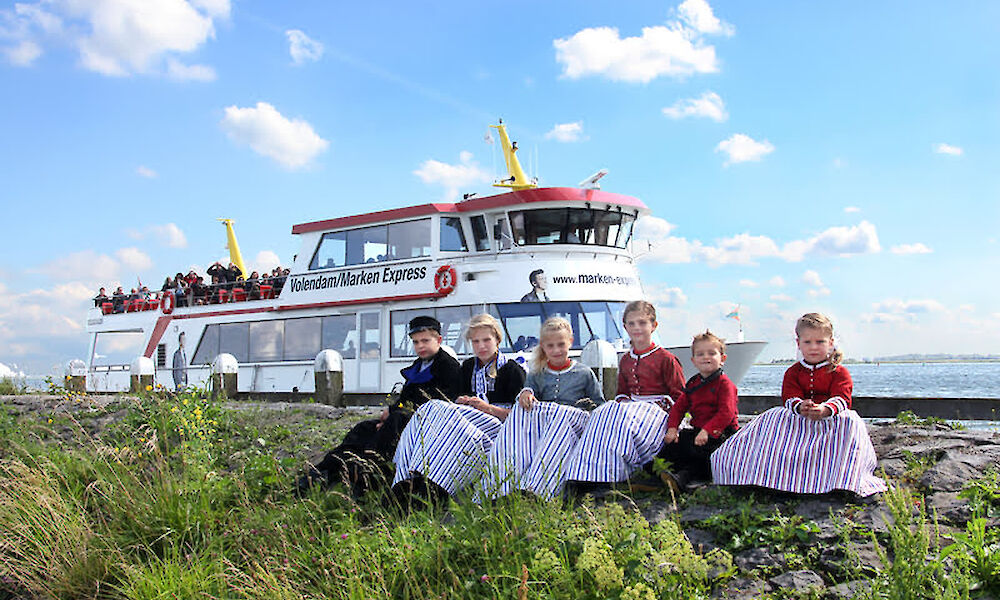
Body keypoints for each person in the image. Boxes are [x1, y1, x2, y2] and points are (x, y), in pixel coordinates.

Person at [710, 313, 887, 499]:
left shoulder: (838, 371)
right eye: (808, 342)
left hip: (830, 421)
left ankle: (840, 478)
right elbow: (789, 396)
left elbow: (842, 397)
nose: (813, 347)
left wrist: (825, 409)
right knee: (773, 416)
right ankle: (769, 474)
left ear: (831, 342)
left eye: (820, 342)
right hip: (800, 421)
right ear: (798, 343)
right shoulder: (793, 372)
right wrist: (800, 406)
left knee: (850, 420)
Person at [303, 316, 462, 496]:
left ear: (438, 340)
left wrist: (395, 413)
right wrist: (392, 409)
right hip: (402, 417)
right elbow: (405, 398)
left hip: (425, 423)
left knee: (392, 425)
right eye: (416, 342)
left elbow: (436, 401)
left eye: (425, 341)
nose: (420, 346)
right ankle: (325, 471)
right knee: (363, 428)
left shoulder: (449, 368)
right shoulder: (418, 366)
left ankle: (367, 473)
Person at [392, 314, 526, 507]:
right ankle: (409, 475)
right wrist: (462, 401)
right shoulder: (469, 366)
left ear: (497, 339)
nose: (481, 346)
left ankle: (431, 485)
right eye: (476, 341)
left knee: (444, 419)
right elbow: (457, 398)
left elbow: (521, 415)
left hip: (496, 426)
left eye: (487, 340)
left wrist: (487, 408)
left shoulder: (512, 369)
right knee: (431, 410)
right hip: (468, 421)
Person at [563, 300, 685, 494]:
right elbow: (621, 393)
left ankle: (609, 476)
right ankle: (585, 473)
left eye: (642, 323)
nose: (637, 327)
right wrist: (620, 405)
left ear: (654, 326)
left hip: (658, 414)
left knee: (620, 417)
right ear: (625, 326)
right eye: (632, 323)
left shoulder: (666, 359)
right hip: (632, 409)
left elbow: (680, 397)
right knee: (602, 412)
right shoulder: (627, 359)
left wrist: (673, 426)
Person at [482, 316, 602, 500]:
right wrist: (526, 393)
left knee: (560, 419)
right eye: (550, 346)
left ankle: (535, 489)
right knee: (519, 413)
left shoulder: (584, 373)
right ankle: (500, 487)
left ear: (570, 342)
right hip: (547, 426)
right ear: (543, 346)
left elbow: (598, 404)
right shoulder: (538, 373)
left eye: (561, 344)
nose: (556, 350)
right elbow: (529, 391)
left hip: (573, 425)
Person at [658, 330, 739, 493]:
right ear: (694, 361)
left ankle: (683, 479)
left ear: (722, 359)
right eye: (700, 354)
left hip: (721, 434)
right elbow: (679, 407)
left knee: (703, 457)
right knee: (672, 447)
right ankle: (655, 474)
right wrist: (673, 428)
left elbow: (726, 412)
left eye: (711, 353)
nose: (706, 357)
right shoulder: (694, 383)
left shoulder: (725, 384)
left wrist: (708, 431)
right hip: (698, 432)